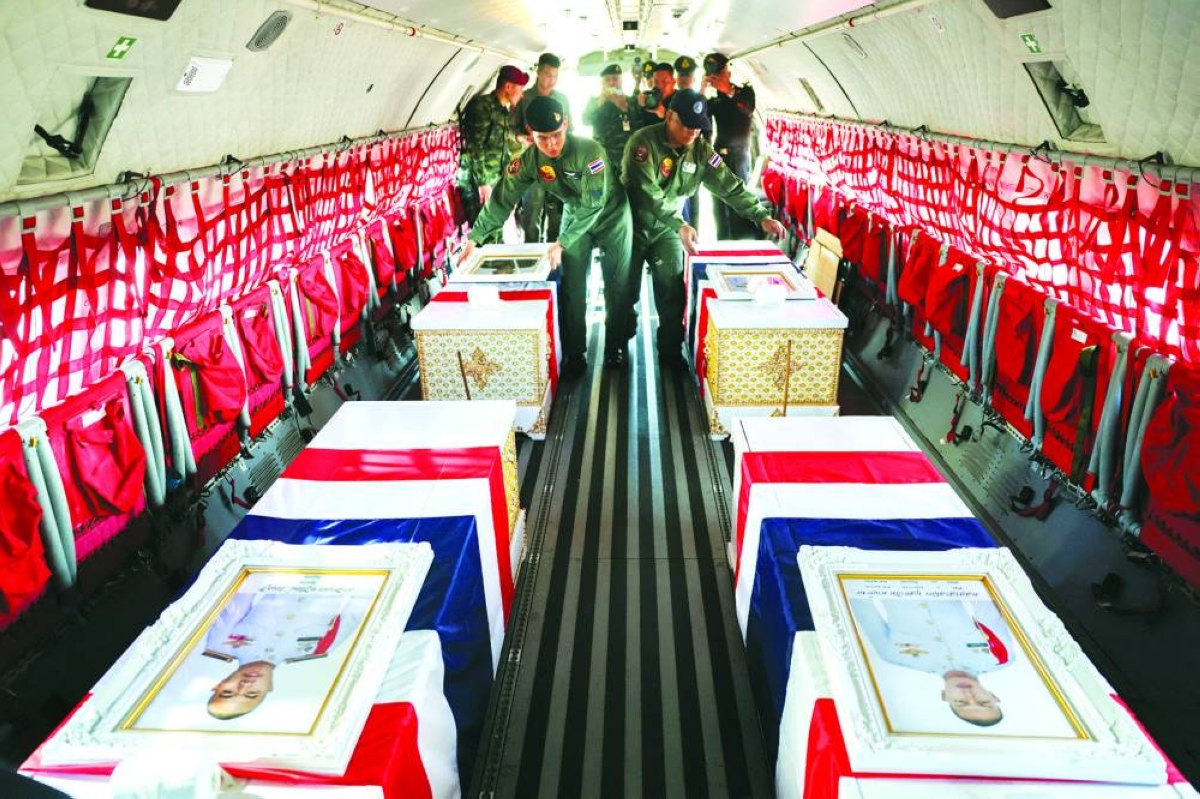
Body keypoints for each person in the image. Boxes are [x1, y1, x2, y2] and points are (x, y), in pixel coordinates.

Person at [460, 96, 634, 374]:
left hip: (611, 216)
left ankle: (616, 346)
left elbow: (594, 204)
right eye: (542, 138)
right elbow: (503, 198)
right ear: (531, 133)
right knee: (572, 286)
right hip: (575, 215)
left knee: (617, 282)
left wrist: (562, 242)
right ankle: (575, 353)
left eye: (556, 135)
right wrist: (475, 238)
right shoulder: (529, 160)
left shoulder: (590, 152)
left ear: (566, 124)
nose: (551, 144)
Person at [621, 89, 785, 366]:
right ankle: (617, 345)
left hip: (668, 231)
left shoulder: (701, 151)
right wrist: (680, 223)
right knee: (624, 292)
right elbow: (647, 193)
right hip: (630, 227)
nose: (692, 133)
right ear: (669, 116)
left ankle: (670, 352)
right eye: (686, 125)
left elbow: (729, 186)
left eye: (698, 127)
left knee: (672, 291)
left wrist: (760, 216)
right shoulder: (643, 143)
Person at [849, 596, 1012, 727]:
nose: (969, 695)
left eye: (961, 702)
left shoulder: (894, 656)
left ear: (944, 696)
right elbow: (984, 600)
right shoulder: (1000, 658)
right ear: (993, 696)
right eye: (983, 702)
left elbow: (859, 602)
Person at [204, 590, 368, 720]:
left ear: (219, 685)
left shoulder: (221, 642)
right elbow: (361, 602)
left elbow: (245, 587)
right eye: (252, 694)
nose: (245, 685)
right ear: (269, 689)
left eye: (228, 692)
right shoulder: (318, 649)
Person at [457, 65, 529, 226]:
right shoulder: (482, 107)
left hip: (495, 181)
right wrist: (483, 184)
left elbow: (500, 140)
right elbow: (475, 148)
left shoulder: (502, 111)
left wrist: (520, 138)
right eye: (520, 89)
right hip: (479, 182)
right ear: (508, 87)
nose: (522, 94)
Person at [512, 53, 571, 243]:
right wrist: (522, 138)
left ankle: (555, 257)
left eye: (555, 76)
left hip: (556, 163)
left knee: (557, 217)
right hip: (532, 163)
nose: (551, 80)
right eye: (548, 75)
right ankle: (532, 255)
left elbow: (570, 130)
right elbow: (512, 128)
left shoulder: (562, 100)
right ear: (538, 72)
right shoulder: (524, 98)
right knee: (531, 216)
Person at [703, 52, 759, 240]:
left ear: (727, 72)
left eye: (720, 73)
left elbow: (748, 109)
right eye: (713, 75)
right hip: (718, 155)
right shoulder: (713, 100)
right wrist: (702, 91)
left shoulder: (744, 93)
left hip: (739, 156)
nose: (717, 78)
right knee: (718, 203)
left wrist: (729, 90)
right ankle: (722, 241)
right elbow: (702, 122)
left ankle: (740, 242)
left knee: (739, 201)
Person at [582, 64, 634, 182]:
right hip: (601, 155)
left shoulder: (630, 101)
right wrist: (599, 105)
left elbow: (637, 127)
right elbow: (585, 121)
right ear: (602, 83)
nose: (611, 83)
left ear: (621, 81)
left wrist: (624, 109)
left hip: (625, 155)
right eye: (607, 79)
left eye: (615, 78)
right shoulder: (594, 102)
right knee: (603, 187)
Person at [673, 55, 707, 230]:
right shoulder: (670, 100)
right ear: (676, 78)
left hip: (694, 156)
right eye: (681, 76)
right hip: (674, 158)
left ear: (694, 78)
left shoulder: (701, 100)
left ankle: (694, 234)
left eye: (688, 76)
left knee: (694, 199)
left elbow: (706, 130)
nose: (684, 79)